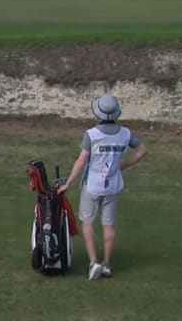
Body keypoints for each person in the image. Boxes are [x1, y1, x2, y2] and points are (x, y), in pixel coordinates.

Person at [57, 94, 148, 280]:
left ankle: (94, 262)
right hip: (112, 185)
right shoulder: (125, 134)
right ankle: (106, 264)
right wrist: (123, 165)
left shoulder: (92, 135)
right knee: (109, 225)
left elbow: (82, 161)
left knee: (88, 223)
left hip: (92, 185)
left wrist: (68, 183)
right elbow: (142, 150)